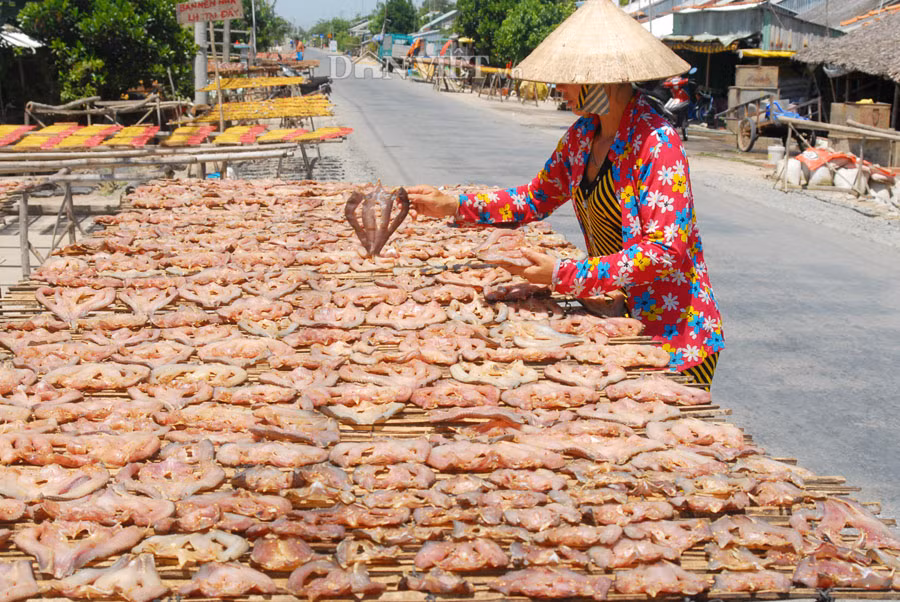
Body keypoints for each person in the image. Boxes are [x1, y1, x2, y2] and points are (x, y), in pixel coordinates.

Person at [406, 0, 724, 387]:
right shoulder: (582, 136)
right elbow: (534, 198)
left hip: (672, 334)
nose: (558, 87)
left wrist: (564, 274)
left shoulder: (658, 144)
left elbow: (665, 251)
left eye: (568, 77)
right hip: (614, 319)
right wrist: (453, 204)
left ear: (601, 79)